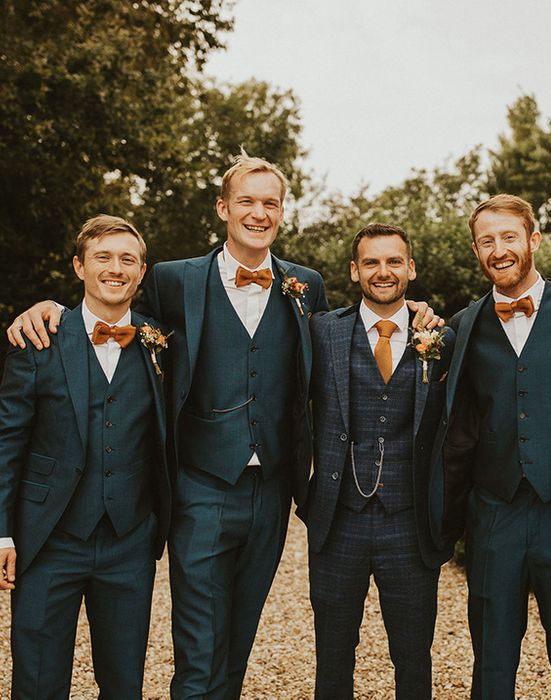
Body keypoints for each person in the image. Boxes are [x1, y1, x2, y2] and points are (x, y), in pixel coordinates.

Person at [7, 153, 439, 699]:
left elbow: (354, 334)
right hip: (201, 485)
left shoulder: (304, 286)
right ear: (223, 208)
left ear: (282, 211)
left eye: (270, 203)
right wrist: (48, 309)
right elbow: (114, 312)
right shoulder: (172, 280)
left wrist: (416, 314)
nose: (258, 213)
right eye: (246, 202)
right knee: (198, 645)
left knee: (239, 641)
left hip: (274, 492)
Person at [433, 194, 551, 698]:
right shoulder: (462, 326)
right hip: (494, 510)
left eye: (509, 236)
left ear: (533, 240)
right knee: (491, 655)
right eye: (487, 241)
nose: (499, 250)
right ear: (476, 250)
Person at [0, 215, 171, 698]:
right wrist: (1, 533)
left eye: (127, 259)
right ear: (79, 266)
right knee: (36, 681)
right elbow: (7, 441)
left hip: (128, 541)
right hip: (47, 539)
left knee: (123, 683)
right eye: (102, 257)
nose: (115, 269)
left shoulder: (163, 343)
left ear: (142, 272)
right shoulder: (38, 339)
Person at [303, 224, 455, 699]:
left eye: (394, 261)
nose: (383, 272)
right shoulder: (321, 331)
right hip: (338, 519)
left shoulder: (441, 337)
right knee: (332, 656)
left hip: (409, 524)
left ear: (410, 268)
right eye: (371, 262)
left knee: (413, 657)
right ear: (354, 271)